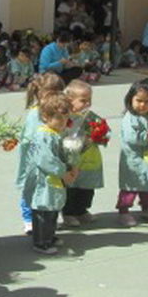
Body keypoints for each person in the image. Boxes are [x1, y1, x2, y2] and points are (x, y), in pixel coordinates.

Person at [23, 93, 77, 254]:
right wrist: (62, 172)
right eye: (59, 119)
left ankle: (50, 235)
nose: (63, 123)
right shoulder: (43, 135)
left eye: (66, 119)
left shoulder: (55, 134)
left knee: (52, 209)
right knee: (42, 211)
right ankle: (41, 241)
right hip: (44, 181)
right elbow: (45, 159)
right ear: (46, 116)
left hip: (53, 180)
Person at [117, 79, 148, 227]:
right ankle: (124, 210)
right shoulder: (130, 118)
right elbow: (131, 137)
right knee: (130, 186)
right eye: (139, 101)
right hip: (134, 159)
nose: (142, 105)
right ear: (130, 99)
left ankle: (147, 207)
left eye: (147, 101)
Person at [62, 80, 105, 227]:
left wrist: (100, 136)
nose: (87, 103)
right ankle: (68, 213)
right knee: (71, 189)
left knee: (87, 188)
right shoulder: (64, 118)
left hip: (89, 159)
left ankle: (82, 210)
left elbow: (105, 132)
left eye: (89, 100)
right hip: (72, 159)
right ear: (69, 100)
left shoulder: (91, 116)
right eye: (83, 100)